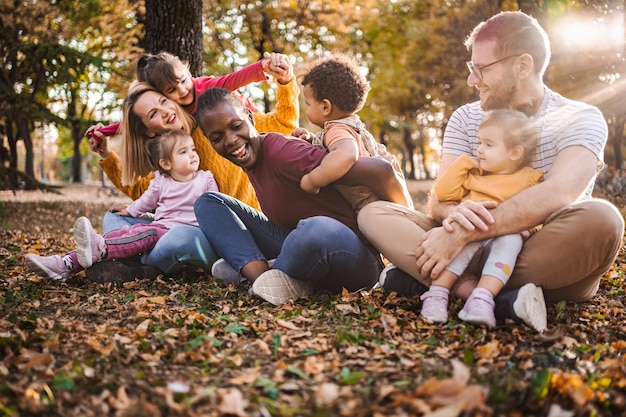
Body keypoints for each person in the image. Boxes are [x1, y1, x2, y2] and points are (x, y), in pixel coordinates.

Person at [357, 10, 624, 332]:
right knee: (375, 214)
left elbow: (559, 192)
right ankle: (497, 298)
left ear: (522, 66)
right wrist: (456, 217)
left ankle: (438, 282)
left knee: (603, 220)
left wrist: (466, 232)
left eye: (481, 69)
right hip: (465, 247)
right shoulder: (465, 118)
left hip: (541, 251)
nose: (472, 79)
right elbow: (440, 201)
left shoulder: (580, 117)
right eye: (472, 68)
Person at [83, 53, 299, 281]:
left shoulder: (218, 122)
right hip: (176, 226)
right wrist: (107, 153)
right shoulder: (168, 150)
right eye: (154, 112)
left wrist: (285, 82)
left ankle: (134, 261)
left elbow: (282, 123)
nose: (166, 110)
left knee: (179, 239)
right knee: (114, 219)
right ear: (148, 129)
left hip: (230, 230)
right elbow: (145, 192)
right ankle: (136, 263)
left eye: (164, 102)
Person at [193, 87, 405, 305]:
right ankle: (262, 276)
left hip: (355, 259)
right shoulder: (251, 159)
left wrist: (407, 230)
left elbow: (382, 171)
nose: (229, 140)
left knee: (315, 229)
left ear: (250, 118)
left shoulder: (282, 152)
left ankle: (266, 271)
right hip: (300, 247)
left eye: (236, 126)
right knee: (209, 202)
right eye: (217, 137)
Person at [25, 130, 218, 281]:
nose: (192, 155)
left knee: (142, 233)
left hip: (185, 234)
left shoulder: (206, 179)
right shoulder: (161, 180)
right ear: (166, 163)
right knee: (128, 226)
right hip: (161, 229)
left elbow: (215, 209)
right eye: (183, 152)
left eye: (193, 149)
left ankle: (99, 250)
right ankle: (65, 264)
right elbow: (146, 201)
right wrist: (129, 211)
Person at [420, 109, 542, 328]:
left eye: (488, 144)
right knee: (464, 232)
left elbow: (538, 210)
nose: (479, 150)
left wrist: (528, 229)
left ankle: (482, 299)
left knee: (511, 239)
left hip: (501, 246)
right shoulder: (473, 176)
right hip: (468, 236)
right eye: (480, 142)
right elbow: (443, 194)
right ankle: (437, 295)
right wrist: (463, 163)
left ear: (515, 153)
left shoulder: (529, 179)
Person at [291, 54, 412, 211]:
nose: (307, 109)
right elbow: (337, 147)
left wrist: (313, 180)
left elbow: (346, 155)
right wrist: (311, 139)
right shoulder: (349, 127)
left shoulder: (336, 130)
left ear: (325, 107)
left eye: (308, 104)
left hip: (371, 205)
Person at [86, 51, 286, 141]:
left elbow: (232, 79)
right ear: (162, 95)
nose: (182, 90)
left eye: (183, 80)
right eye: (171, 90)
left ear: (189, 73)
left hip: (252, 120)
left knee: (278, 138)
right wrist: (104, 131)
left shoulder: (204, 86)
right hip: (230, 136)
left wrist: (262, 67)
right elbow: (132, 123)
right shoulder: (173, 110)